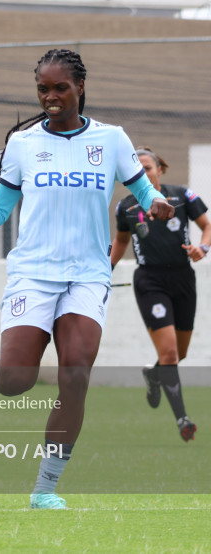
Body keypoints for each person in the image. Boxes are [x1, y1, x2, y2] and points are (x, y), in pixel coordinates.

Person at [0, 49, 174, 510]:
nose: (50, 97)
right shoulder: (24, 144)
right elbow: (0, 211)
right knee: (16, 379)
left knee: (75, 373)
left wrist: (156, 204)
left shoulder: (111, 140)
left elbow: (144, 189)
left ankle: (44, 489)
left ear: (80, 88)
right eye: (42, 89)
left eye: (59, 88)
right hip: (33, 272)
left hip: (88, 275)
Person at [110, 146, 209, 442]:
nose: (143, 173)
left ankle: (154, 375)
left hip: (183, 279)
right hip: (149, 281)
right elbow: (121, 241)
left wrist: (202, 248)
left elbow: (207, 227)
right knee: (168, 353)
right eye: (136, 170)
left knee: (180, 353)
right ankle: (182, 419)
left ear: (160, 170)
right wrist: (104, 271)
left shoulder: (182, 196)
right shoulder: (125, 207)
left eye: (148, 167)